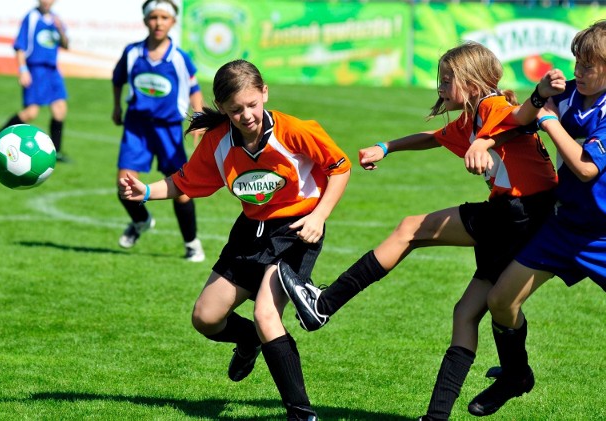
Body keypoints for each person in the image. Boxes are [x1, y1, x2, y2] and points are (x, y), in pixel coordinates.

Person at [277, 41, 565, 420]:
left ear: (474, 81)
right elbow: (433, 138)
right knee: (465, 314)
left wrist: (539, 94)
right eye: (440, 80)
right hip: (518, 216)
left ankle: (324, 304)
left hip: (521, 213)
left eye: (448, 80)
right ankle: (445, 412)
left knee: (411, 228)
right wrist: (387, 146)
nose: (441, 88)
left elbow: (522, 117)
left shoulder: (493, 106)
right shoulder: (473, 115)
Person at [119, 59, 351, 420]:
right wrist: (145, 190)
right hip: (249, 233)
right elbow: (184, 181)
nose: (246, 115)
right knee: (206, 317)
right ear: (223, 109)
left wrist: (319, 216)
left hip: (295, 232)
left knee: (265, 315)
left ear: (264, 94)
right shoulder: (217, 141)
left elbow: (339, 167)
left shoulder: (294, 131)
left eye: (252, 105)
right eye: (235, 110)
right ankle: (248, 342)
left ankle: (301, 412)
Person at [468, 20, 606, 417]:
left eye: (590, 64)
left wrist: (547, 119)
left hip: (603, 235)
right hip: (563, 226)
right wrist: (484, 139)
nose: (579, 69)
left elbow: (585, 169)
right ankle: (515, 375)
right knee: (501, 300)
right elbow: (518, 121)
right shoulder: (568, 95)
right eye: (578, 59)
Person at [112, 0, 206, 261]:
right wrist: (116, 107)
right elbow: (117, 79)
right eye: (153, 17)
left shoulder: (179, 58)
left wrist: (198, 117)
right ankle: (141, 221)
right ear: (145, 20)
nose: (158, 22)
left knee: (182, 190)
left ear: (173, 22)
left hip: (168, 131)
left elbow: (195, 90)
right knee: (124, 186)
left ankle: (191, 243)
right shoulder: (132, 53)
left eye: (164, 17)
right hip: (136, 128)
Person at [0, 0, 69, 162]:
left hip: (53, 70)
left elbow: (65, 45)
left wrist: (60, 30)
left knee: (60, 109)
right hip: (35, 69)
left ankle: (55, 152)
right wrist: (23, 70)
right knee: (31, 112)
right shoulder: (31, 18)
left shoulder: (56, 19)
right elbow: (20, 46)